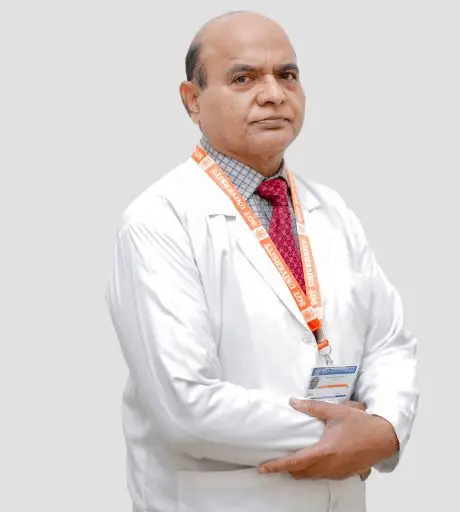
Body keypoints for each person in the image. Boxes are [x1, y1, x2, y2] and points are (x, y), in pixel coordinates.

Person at [105, 10, 419, 512]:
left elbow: (389, 342)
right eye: (244, 78)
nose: (273, 94)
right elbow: (184, 404)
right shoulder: (159, 220)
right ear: (192, 100)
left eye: (287, 75)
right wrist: (347, 434)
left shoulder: (332, 211)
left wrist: (385, 425)